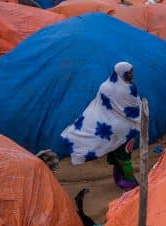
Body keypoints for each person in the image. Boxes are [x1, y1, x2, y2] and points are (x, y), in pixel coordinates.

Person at [60, 62, 142, 191]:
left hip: (110, 128)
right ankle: (131, 185)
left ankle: (121, 179)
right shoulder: (129, 89)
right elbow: (134, 110)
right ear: (121, 73)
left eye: (132, 72)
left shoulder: (105, 86)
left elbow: (97, 107)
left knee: (118, 155)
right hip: (125, 130)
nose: (132, 75)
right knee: (125, 157)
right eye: (129, 72)